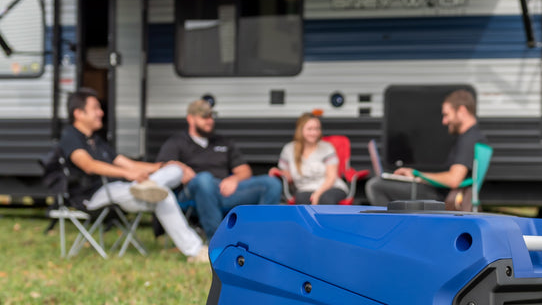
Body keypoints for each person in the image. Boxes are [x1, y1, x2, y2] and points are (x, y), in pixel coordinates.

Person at [59, 88, 207, 262]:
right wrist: (128, 174)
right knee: (161, 194)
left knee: (171, 179)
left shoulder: (97, 141)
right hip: (93, 196)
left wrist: (163, 165)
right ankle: (195, 250)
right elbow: (88, 165)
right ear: (78, 113)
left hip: (120, 190)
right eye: (96, 108)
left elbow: (128, 163)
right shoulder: (70, 136)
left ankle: (195, 252)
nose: (101, 112)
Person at [156, 99, 282, 238]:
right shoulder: (177, 142)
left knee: (272, 184)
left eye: (211, 117)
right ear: (190, 119)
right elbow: (162, 168)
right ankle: (218, 241)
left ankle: (258, 239)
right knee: (204, 179)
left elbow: (245, 170)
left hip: (223, 188)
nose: (209, 121)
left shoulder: (222, 141)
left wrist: (234, 179)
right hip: (192, 191)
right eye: (204, 117)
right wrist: (181, 167)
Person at [365, 89, 485, 207]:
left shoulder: (469, 139)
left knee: (375, 185)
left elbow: (454, 179)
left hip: (440, 197)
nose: (444, 121)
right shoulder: (473, 137)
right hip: (439, 192)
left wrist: (418, 175)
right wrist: (416, 177)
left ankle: (392, 226)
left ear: (462, 111)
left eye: (447, 115)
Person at [276, 113, 348, 204]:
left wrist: (317, 193)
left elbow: (331, 177)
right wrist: (278, 172)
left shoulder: (327, 148)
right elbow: (288, 177)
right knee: (301, 199)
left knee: (326, 199)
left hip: (331, 187)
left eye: (317, 129)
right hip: (305, 189)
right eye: (309, 129)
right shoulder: (289, 149)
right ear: (300, 130)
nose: (314, 133)